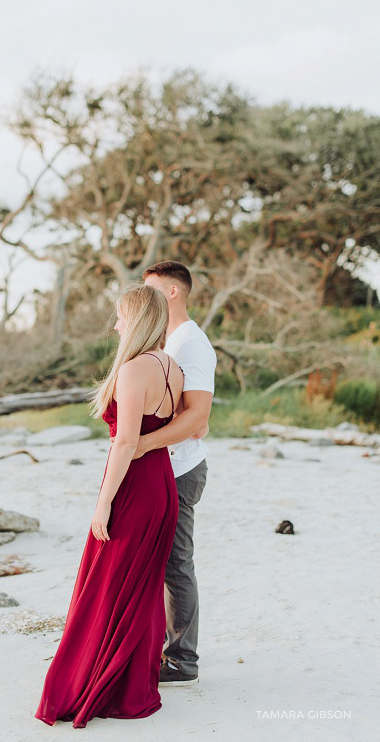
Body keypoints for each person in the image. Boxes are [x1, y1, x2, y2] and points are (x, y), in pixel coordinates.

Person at [36, 283, 184, 729]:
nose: (116, 324)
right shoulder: (172, 367)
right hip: (162, 483)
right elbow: (164, 431)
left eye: (121, 316)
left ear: (137, 320)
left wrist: (102, 506)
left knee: (106, 583)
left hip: (135, 488)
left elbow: (124, 444)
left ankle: (98, 683)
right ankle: (134, 681)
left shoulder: (134, 369)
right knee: (141, 588)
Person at [138, 261, 217, 686]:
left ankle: (183, 660)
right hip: (163, 467)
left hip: (180, 470)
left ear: (172, 293)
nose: (143, 296)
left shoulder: (190, 344)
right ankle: (158, 648)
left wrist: (143, 445)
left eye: (150, 289)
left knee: (176, 565)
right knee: (160, 563)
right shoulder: (168, 340)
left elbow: (198, 418)